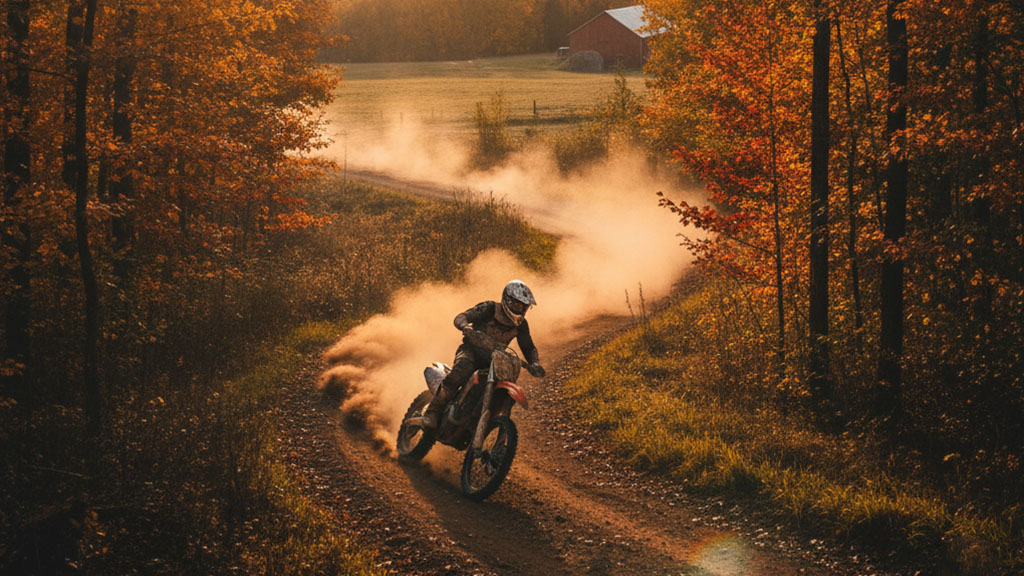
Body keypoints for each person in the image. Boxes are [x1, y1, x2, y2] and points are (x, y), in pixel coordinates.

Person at [419, 280, 544, 429]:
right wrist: (465, 326)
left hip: (494, 360)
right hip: (471, 350)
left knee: (503, 384)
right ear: (507, 300)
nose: (520, 309)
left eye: (524, 306)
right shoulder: (490, 308)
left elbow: (528, 347)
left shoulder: (521, 325)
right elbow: (462, 316)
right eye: (517, 305)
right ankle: (432, 412)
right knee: (461, 371)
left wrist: (534, 363)